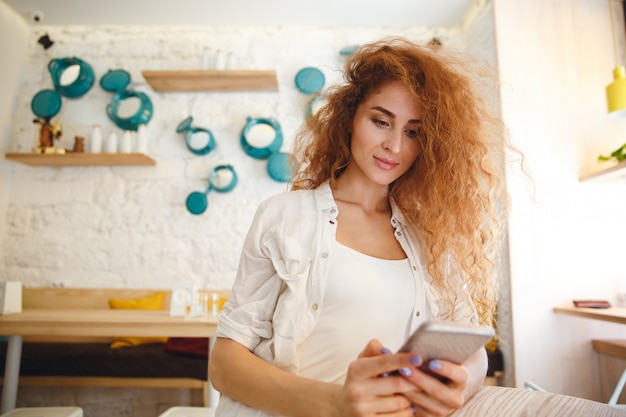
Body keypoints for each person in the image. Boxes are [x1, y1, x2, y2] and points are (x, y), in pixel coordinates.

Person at [209, 37, 511, 417]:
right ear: (350, 118)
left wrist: (461, 384)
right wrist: (338, 404)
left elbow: (472, 348)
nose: (394, 146)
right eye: (381, 121)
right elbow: (223, 364)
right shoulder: (284, 216)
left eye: (413, 132)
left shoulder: (430, 235)